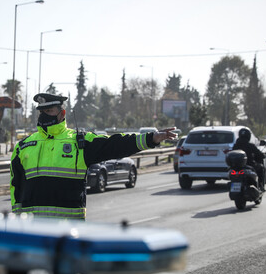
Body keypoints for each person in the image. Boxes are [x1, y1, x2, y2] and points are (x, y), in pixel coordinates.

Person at [10, 93, 177, 220]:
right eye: (42, 112)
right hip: (33, 231)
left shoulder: (79, 142)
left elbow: (115, 144)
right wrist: (17, 221)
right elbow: (15, 186)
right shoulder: (24, 146)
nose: (44, 115)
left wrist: (151, 138)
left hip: (68, 233)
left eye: (49, 111)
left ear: (62, 113)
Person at [232, 127, 266, 191]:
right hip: (249, 165)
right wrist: (263, 155)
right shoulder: (250, 145)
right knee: (261, 168)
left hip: (236, 167)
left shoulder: (235, 145)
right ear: (248, 136)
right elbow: (259, 154)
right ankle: (261, 185)